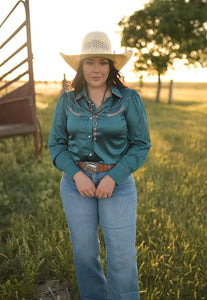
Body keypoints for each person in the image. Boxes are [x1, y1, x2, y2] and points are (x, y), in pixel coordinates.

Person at [48, 31, 151, 300]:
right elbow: (56, 145)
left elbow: (141, 144)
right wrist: (76, 175)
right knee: (84, 252)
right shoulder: (67, 100)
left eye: (103, 62)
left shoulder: (129, 99)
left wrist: (114, 176)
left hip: (117, 183)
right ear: (81, 66)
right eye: (89, 62)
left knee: (122, 254)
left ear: (111, 65)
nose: (96, 69)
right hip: (75, 184)